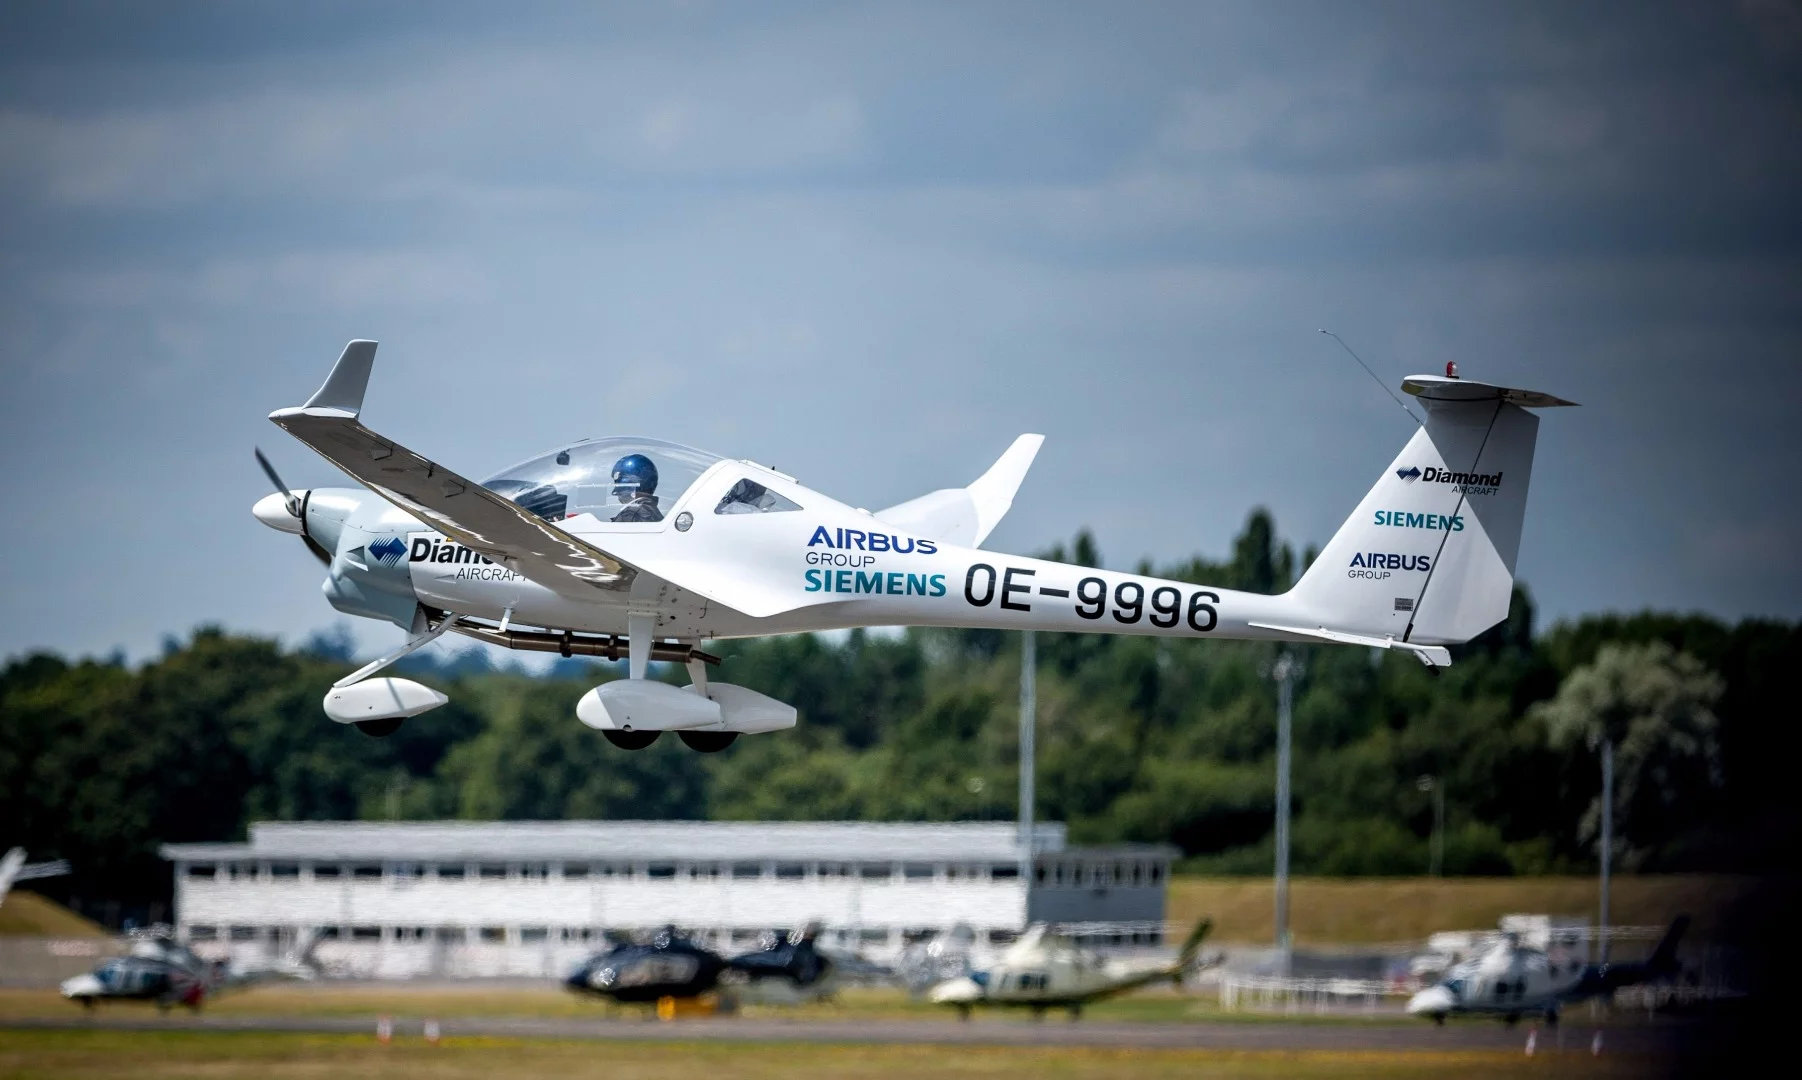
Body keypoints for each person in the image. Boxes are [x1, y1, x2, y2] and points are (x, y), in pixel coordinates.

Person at [609, 454, 663, 522]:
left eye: (618, 483)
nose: (615, 491)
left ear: (629, 483)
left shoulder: (630, 515)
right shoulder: (655, 514)